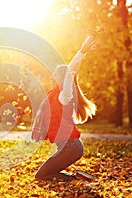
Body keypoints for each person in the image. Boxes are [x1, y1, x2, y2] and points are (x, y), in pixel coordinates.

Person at [31, 36, 98, 181]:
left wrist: (82, 51)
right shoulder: (53, 97)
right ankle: (79, 177)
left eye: (55, 75)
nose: (51, 77)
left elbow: (70, 71)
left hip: (71, 147)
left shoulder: (64, 96)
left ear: (62, 78)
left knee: (40, 176)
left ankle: (77, 179)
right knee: (43, 175)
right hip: (68, 147)